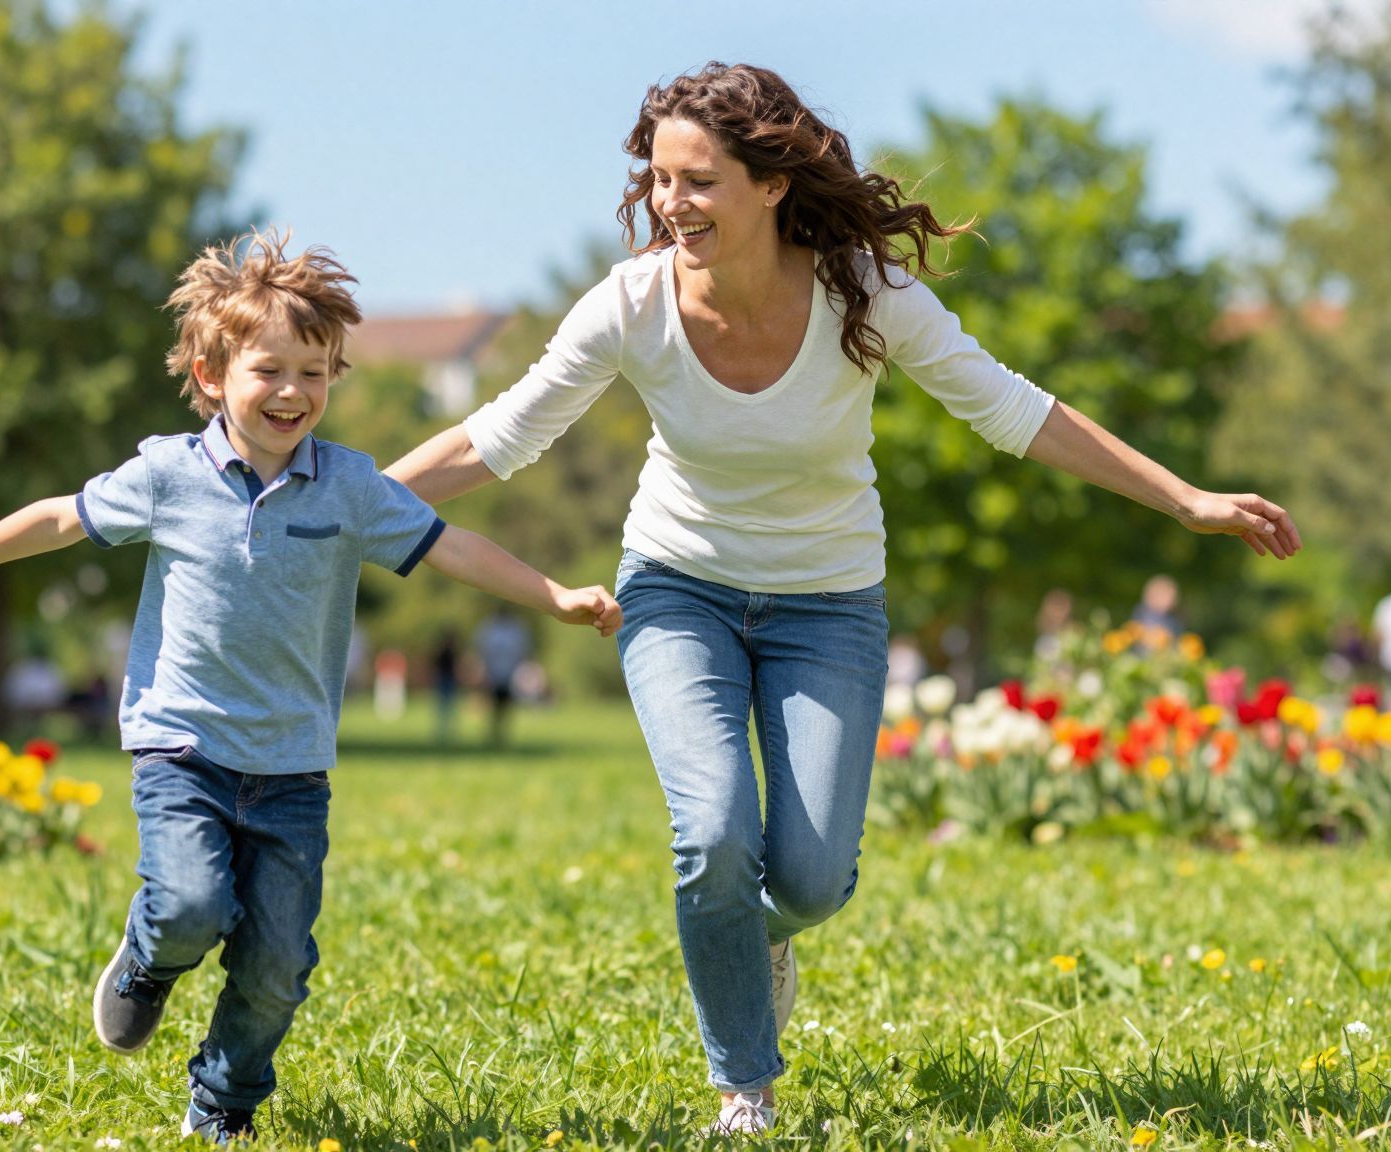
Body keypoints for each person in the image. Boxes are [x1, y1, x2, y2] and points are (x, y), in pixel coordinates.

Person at [385, 63, 1302, 1134]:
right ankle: (743, 1085)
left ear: (770, 185)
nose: (669, 203)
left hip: (826, 603)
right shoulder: (630, 306)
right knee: (711, 835)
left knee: (812, 882)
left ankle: (750, 932)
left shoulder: (861, 292)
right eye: (658, 178)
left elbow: (1012, 409)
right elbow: (499, 437)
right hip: (677, 591)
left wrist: (1182, 497)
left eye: (697, 180)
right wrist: (338, 495)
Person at [0, 231, 622, 1145]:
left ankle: (223, 1102)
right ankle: (149, 961)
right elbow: (58, 519)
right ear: (210, 372)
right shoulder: (165, 475)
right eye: (269, 369)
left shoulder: (349, 486)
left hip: (292, 768)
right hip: (181, 748)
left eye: (315, 373)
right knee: (191, 905)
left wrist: (553, 595)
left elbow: (452, 546)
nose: (292, 392)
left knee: (277, 962)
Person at [474, 607, 532, 746]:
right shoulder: (508, 630)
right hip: (497, 674)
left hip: (505, 675)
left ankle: (499, 734)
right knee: (496, 707)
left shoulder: (493, 629)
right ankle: (495, 733)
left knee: (502, 707)